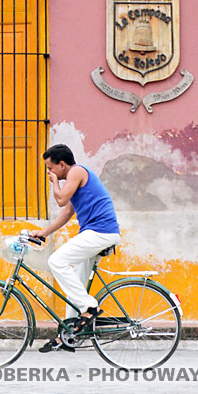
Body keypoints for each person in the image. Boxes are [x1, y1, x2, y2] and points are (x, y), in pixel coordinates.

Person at [30, 144, 121, 353]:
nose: (49, 172)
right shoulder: (75, 179)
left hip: (100, 232)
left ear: (62, 164)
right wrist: (44, 233)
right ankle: (68, 335)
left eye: (51, 168)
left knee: (56, 261)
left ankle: (90, 307)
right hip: (96, 233)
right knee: (76, 285)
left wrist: (54, 183)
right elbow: (67, 213)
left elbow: (61, 201)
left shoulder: (77, 171)